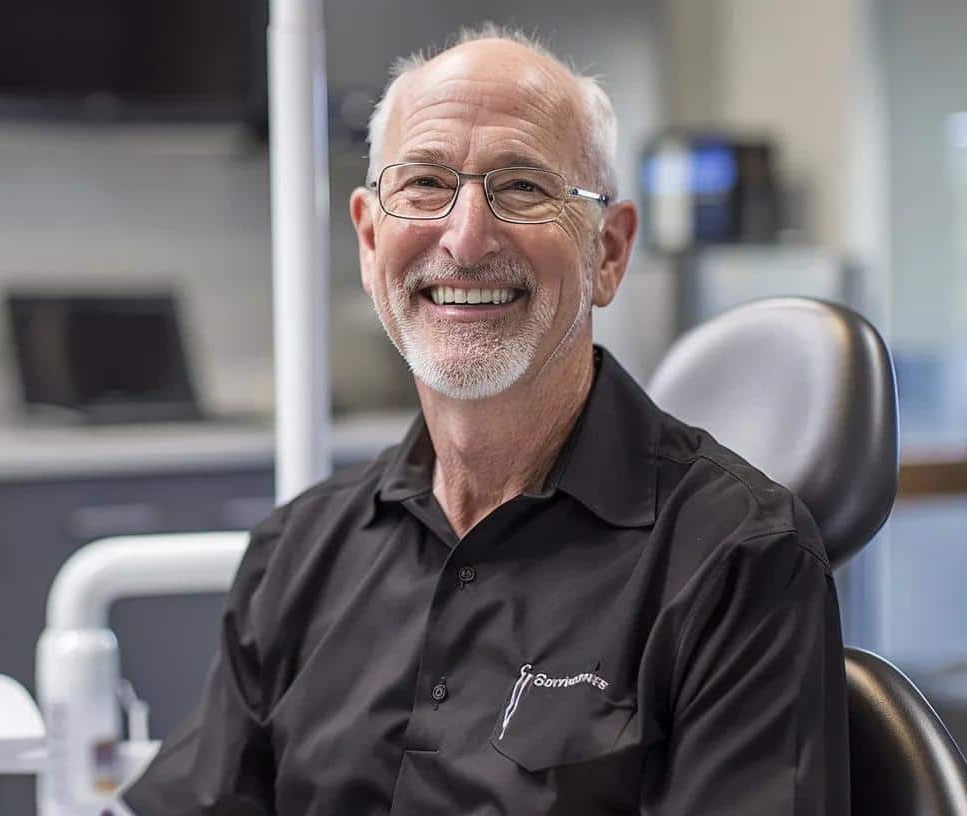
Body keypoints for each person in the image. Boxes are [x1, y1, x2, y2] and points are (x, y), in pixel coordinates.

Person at [120, 23, 849, 815]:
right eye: (425, 184)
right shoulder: (298, 554)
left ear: (608, 252)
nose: (466, 240)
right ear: (369, 240)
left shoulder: (739, 562)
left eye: (524, 187)